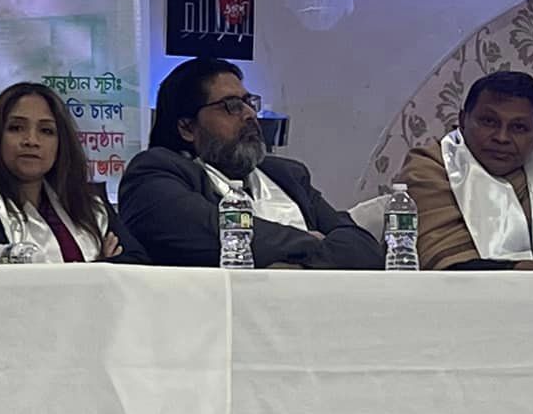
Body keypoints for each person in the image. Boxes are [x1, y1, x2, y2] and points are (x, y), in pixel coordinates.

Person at [120, 58, 380, 268]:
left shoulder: (288, 175)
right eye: (231, 106)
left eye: (248, 102)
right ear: (187, 127)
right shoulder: (153, 176)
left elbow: (364, 249)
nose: (249, 114)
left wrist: (297, 264)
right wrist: (312, 244)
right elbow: (220, 235)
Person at [398, 70, 533, 271]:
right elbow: (445, 266)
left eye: (518, 127)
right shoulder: (431, 166)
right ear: (462, 120)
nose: (502, 138)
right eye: (489, 122)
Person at [0, 81, 147, 262]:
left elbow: (137, 263)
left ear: (61, 143)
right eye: (16, 128)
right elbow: (4, 277)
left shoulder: (88, 203)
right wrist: (100, 267)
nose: (31, 141)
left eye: (46, 131)